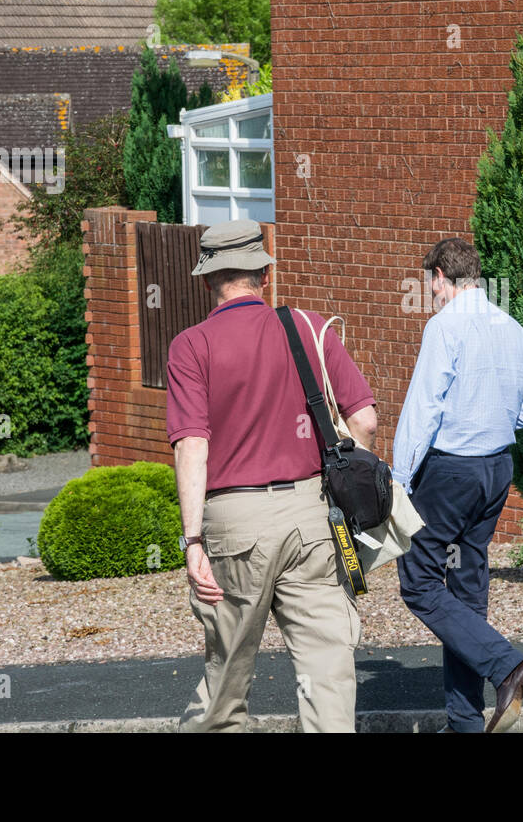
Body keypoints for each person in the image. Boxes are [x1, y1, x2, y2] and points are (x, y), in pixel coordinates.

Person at [166, 219, 378, 732]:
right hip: (312, 517)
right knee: (327, 669)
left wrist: (192, 538)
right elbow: (365, 419)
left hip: (235, 523)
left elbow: (193, 445)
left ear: (206, 281)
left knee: (229, 674)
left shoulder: (191, 346)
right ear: (263, 273)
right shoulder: (308, 328)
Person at [392, 237, 523, 733]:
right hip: (497, 469)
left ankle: (506, 666)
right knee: (467, 588)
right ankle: (464, 721)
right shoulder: (513, 327)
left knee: (417, 581)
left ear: (440, 277)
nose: (431, 293)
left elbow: (422, 411)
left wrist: (398, 479)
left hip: (450, 471)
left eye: (430, 283)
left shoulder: (443, 327)